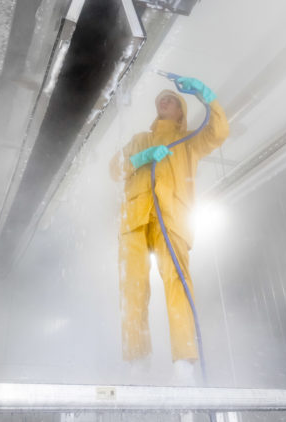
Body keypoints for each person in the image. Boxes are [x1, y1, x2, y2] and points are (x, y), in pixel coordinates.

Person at [110, 76, 229, 384]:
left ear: (181, 113)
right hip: (135, 218)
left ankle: (184, 362)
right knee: (132, 288)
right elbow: (115, 169)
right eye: (161, 99)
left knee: (177, 284)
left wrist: (207, 94)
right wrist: (141, 157)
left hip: (172, 218)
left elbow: (219, 132)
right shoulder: (140, 139)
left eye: (173, 100)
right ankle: (137, 359)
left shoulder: (189, 141)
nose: (165, 101)